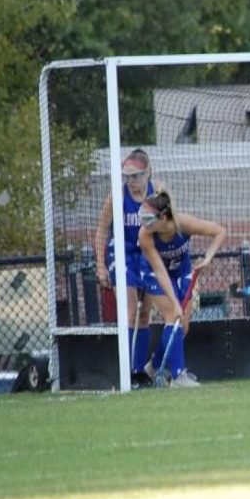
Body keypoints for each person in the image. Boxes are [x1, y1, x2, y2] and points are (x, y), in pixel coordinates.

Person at [138, 188, 226, 388]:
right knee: (172, 314)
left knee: (182, 328)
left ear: (164, 217)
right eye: (142, 219)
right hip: (154, 273)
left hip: (181, 272)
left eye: (149, 220)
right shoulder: (145, 235)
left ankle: (153, 367)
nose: (144, 224)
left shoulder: (183, 223)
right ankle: (178, 377)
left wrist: (208, 257)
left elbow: (220, 232)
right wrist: (175, 305)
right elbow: (160, 272)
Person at [95, 149, 160, 387]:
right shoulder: (117, 196)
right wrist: (101, 266)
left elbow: (167, 230)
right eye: (127, 177)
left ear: (148, 172)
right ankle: (127, 372)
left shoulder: (158, 193)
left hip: (147, 253)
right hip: (122, 254)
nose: (131, 182)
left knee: (145, 315)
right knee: (130, 312)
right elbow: (102, 230)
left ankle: (139, 370)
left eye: (136, 176)